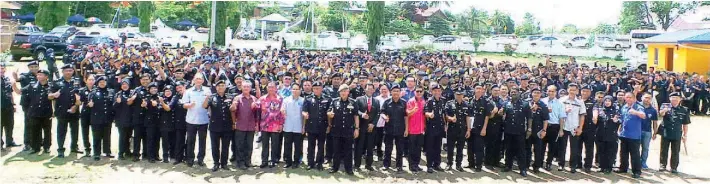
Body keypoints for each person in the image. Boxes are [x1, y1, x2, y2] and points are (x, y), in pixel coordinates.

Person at [327, 84, 359, 175]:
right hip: (336, 130)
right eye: (342, 91)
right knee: (336, 150)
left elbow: (356, 116)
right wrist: (330, 114)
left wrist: (357, 128)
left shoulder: (353, 102)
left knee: (348, 150)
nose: (344, 93)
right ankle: (335, 167)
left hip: (348, 131)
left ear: (348, 92)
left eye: (345, 91)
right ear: (339, 92)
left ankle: (348, 168)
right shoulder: (334, 101)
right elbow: (329, 111)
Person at [51, 64, 81, 158]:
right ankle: (60, 149)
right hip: (61, 111)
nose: (68, 72)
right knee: (61, 131)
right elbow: (51, 96)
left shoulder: (76, 81)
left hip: (74, 110)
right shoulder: (56, 82)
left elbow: (79, 96)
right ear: (62, 72)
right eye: (66, 70)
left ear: (73, 71)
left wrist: (75, 107)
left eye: (70, 70)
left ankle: (74, 147)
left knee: (75, 130)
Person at [181, 73, 211, 167]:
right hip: (191, 120)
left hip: (204, 120)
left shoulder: (207, 90)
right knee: (190, 141)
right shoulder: (188, 91)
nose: (198, 80)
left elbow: (210, 104)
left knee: (202, 141)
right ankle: (190, 159)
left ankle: (200, 159)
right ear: (193, 80)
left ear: (203, 80)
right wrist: (189, 105)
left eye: (200, 79)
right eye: (197, 79)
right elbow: (184, 104)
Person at [22, 70, 55, 154]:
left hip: (46, 112)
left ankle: (46, 147)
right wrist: (14, 85)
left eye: (41, 75)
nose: (39, 76)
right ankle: (35, 147)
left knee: (47, 131)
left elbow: (55, 98)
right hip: (35, 112)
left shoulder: (51, 86)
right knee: (35, 130)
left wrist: (55, 110)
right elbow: (20, 91)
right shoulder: (32, 85)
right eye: (38, 75)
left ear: (46, 76)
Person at [203, 80, 233, 172]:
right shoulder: (212, 97)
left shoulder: (230, 97)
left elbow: (233, 110)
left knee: (225, 146)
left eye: (223, 85)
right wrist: (207, 98)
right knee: (215, 146)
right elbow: (204, 106)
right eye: (219, 86)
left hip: (227, 126)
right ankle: (216, 163)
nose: (221, 87)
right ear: (216, 88)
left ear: (225, 87)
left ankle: (224, 163)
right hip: (215, 126)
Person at [657, 92, 690, 174]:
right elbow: (661, 114)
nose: (674, 100)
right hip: (666, 132)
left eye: (677, 98)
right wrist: (664, 111)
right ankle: (662, 165)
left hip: (677, 133)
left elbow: (685, 124)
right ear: (669, 98)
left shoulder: (684, 109)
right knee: (663, 150)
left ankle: (674, 167)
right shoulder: (665, 106)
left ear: (680, 99)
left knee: (675, 151)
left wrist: (685, 135)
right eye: (673, 98)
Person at [502, 87, 531, 177]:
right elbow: (502, 115)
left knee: (521, 151)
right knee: (508, 150)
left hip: (520, 131)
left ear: (519, 93)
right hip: (508, 131)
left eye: (515, 92)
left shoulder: (525, 104)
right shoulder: (506, 104)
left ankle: (522, 169)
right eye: (512, 92)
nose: (513, 93)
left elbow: (529, 117)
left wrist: (529, 129)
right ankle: (508, 166)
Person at [302, 81, 331, 171]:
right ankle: (310, 163)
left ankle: (319, 163)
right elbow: (304, 110)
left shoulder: (327, 98)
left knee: (321, 145)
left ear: (322, 89)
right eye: (314, 88)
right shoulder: (308, 98)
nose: (316, 90)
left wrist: (329, 125)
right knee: (311, 146)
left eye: (318, 88)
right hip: (311, 126)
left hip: (322, 126)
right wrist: (304, 114)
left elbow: (329, 113)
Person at [617, 92, 646, 178]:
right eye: (627, 97)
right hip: (624, 134)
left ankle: (636, 171)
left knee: (635, 154)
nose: (628, 99)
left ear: (634, 98)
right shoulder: (624, 107)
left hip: (634, 135)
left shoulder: (638, 107)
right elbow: (622, 119)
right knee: (623, 153)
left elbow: (643, 116)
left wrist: (636, 112)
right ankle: (623, 168)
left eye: (630, 97)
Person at [559, 83, 586, 173]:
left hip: (574, 127)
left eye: (574, 90)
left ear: (577, 91)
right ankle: (561, 164)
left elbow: (582, 116)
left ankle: (573, 165)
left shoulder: (580, 102)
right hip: (564, 127)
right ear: (567, 90)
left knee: (574, 148)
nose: (572, 91)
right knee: (562, 147)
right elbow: (558, 114)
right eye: (570, 89)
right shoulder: (562, 100)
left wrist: (580, 128)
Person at [353, 83, 380, 171]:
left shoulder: (376, 101)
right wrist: (362, 114)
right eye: (368, 89)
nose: (369, 91)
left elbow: (378, 114)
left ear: (373, 90)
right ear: (365, 90)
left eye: (371, 89)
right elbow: (356, 111)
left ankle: (369, 165)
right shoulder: (359, 99)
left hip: (371, 128)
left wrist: (373, 124)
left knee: (370, 147)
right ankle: (357, 165)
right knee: (359, 147)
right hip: (361, 127)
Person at [258, 81, 284, 168]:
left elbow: (282, 113)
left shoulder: (280, 99)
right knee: (265, 144)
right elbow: (257, 109)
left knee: (274, 144)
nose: (271, 89)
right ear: (267, 88)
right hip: (264, 125)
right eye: (269, 87)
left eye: (273, 87)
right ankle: (264, 161)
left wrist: (281, 124)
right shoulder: (262, 99)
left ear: (276, 88)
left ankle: (273, 160)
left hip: (275, 125)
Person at [87, 76, 115, 161]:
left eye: (104, 82)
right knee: (96, 137)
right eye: (100, 82)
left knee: (107, 136)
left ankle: (107, 151)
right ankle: (96, 153)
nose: (102, 83)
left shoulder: (111, 92)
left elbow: (113, 104)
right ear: (98, 83)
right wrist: (90, 105)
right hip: (96, 118)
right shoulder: (93, 92)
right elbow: (89, 103)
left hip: (107, 118)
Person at [467, 83, 492, 172]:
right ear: (474, 90)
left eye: (480, 88)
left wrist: (484, 128)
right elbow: (468, 115)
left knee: (479, 148)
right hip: (471, 128)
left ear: (482, 90)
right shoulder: (470, 100)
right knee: (470, 146)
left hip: (480, 128)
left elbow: (487, 116)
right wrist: (468, 129)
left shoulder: (485, 101)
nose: (478, 90)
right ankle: (471, 163)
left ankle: (478, 165)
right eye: (476, 88)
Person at [444, 87, 470, 172]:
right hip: (452, 129)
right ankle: (449, 164)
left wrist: (468, 130)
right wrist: (451, 119)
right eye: (457, 94)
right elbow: (445, 115)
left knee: (460, 148)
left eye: (461, 94)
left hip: (462, 129)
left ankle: (458, 164)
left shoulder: (466, 104)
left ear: (463, 95)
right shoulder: (449, 103)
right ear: (455, 95)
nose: (459, 96)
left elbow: (468, 117)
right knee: (450, 148)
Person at [594, 96, 620, 174]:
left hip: (611, 135)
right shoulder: (600, 110)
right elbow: (596, 122)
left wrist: (617, 121)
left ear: (612, 102)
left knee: (610, 152)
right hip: (600, 134)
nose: (607, 102)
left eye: (609, 101)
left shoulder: (616, 111)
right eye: (606, 101)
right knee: (601, 151)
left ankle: (609, 167)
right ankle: (601, 166)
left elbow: (620, 122)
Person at [424, 84, 446, 173]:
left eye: (439, 91)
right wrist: (429, 114)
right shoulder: (429, 101)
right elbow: (425, 112)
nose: (437, 92)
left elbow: (443, 114)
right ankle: (429, 165)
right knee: (430, 148)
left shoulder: (442, 101)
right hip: (431, 128)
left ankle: (437, 164)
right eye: (435, 91)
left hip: (440, 127)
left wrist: (445, 125)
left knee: (438, 147)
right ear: (432, 92)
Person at [17, 61, 39, 151]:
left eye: (36, 66)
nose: (34, 68)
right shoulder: (24, 76)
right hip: (27, 103)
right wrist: (15, 74)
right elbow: (18, 79)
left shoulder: (41, 75)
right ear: (29, 68)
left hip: (38, 103)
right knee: (28, 123)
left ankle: (37, 141)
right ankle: (27, 143)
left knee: (38, 122)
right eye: (32, 67)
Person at [281, 83, 305, 169]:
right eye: (293, 89)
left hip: (298, 126)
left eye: (296, 89)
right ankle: (288, 161)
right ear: (291, 90)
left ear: (300, 90)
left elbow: (304, 116)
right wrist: (282, 111)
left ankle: (296, 161)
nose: (295, 91)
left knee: (298, 145)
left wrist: (303, 127)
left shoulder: (303, 100)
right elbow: (282, 110)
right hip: (288, 126)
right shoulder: (286, 100)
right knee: (287, 145)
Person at [526, 88, 549, 173]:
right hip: (528, 130)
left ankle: (536, 166)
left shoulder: (543, 105)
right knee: (527, 148)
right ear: (531, 94)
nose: (536, 94)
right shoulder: (527, 103)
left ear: (540, 94)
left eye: (538, 93)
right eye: (534, 92)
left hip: (538, 130)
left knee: (538, 149)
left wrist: (544, 130)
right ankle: (526, 164)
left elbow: (545, 119)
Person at [1, 63, 21, 149]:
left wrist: (13, 104)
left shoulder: (7, 79)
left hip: (8, 106)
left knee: (9, 124)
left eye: (2, 68)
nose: (1, 70)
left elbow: (10, 93)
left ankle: (9, 141)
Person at [406, 86, 426, 173]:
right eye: (417, 91)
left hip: (421, 130)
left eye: (420, 91)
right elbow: (407, 114)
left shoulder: (424, 102)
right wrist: (414, 110)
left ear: (423, 92)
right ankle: (411, 165)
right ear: (414, 92)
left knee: (418, 149)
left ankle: (417, 164)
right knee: (412, 149)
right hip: (412, 130)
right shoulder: (410, 101)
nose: (419, 93)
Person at [113, 79, 133, 160]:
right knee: (122, 136)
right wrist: (118, 102)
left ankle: (127, 151)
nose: (124, 86)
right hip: (121, 119)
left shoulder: (132, 93)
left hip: (130, 119)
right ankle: (121, 153)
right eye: (123, 84)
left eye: (126, 84)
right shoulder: (118, 94)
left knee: (129, 136)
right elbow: (113, 107)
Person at [579, 85, 596, 172]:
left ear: (590, 92)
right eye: (583, 91)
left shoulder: (594, 102)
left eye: (587, 91)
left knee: (589, 148)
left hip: (589, 128)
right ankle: (578, 163)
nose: (585, 93)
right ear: (581, 91)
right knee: (577, 147)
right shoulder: (577, 101)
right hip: (577, 127)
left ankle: (588, 165)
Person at [159, 85, 178, 163]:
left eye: (169, 91)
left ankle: (172, 155)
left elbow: (169, 108)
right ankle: (165, 156)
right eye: (166, 91)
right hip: (164, 123)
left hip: (173, 123)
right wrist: (161, 102)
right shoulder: (161, 99)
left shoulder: (174, 98)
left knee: (173, 140)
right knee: (165, 141)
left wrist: (162, 103)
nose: (168, 92)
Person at [172, 82, 189, 165]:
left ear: (184, 87)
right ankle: (178, 158)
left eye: (180, 87)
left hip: (190, 121)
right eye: (177, 88)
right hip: (179, 121)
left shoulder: (190, 95)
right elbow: (170, 106)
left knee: (189, 141)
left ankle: (188, 157)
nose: (179, 89)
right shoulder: (175, 97)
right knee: (179, 140)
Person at [640, 93, 658, 169]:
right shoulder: (637, 107)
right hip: (636, 131)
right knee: (635, 148)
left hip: (647, 131)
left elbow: (655, 122)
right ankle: (636, 162)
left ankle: (643, 163)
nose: (647, 99)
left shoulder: (653, 110)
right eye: (646, 97)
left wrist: (655, 133)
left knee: (645, 148)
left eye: (649, 98)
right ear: (642, 98)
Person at [373, 84, 391, 161]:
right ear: (379, 90)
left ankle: (387, 155)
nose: (384, 91)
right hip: (379, 122)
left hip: (389, 122)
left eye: (385, 89)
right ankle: (379, 154)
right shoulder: (376, 99)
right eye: (382, 89)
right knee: (378, 139)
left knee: (387, 139)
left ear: (388, 90)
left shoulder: (391, 98)